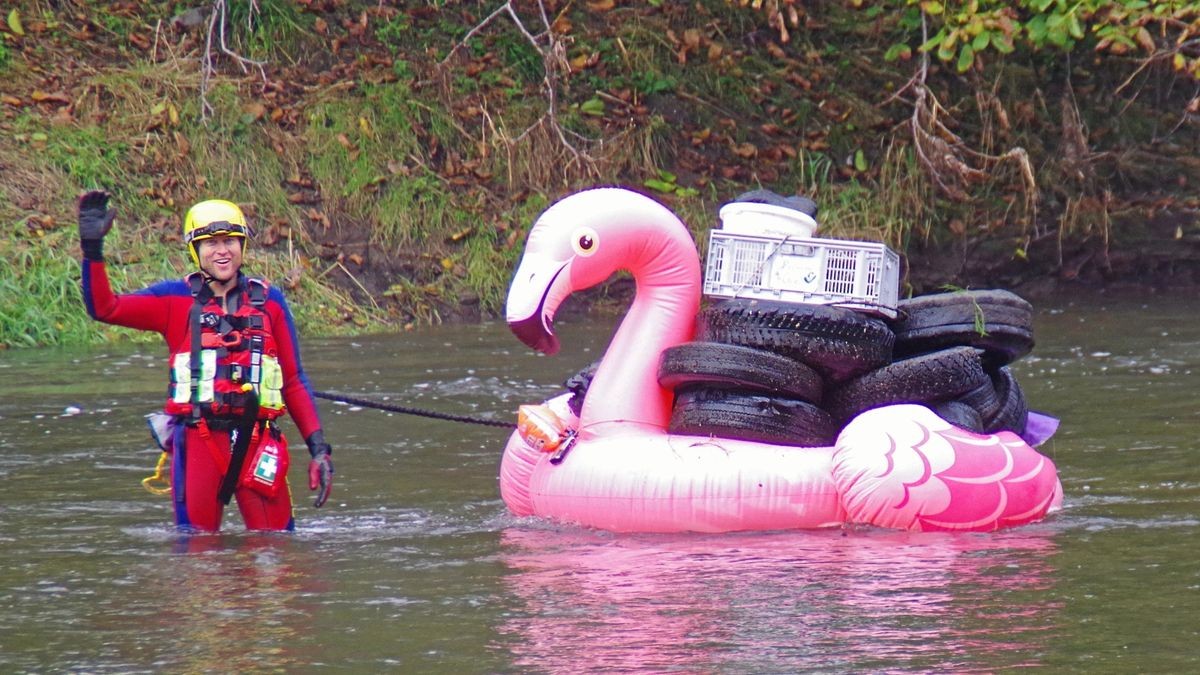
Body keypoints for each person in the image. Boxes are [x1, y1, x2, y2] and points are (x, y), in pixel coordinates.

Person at [78, 190, 335, 532]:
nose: (222, 250)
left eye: (230, 240)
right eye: (210, 242)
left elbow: (293, 381)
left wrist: (319, 450)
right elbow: (105, 308)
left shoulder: (270, 302)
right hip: (199, 442)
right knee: (198, 559)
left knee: (277, 554)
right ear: (195, 250)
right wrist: (92, 250)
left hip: (259, 444)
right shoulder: (172, 300)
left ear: (243, 246)